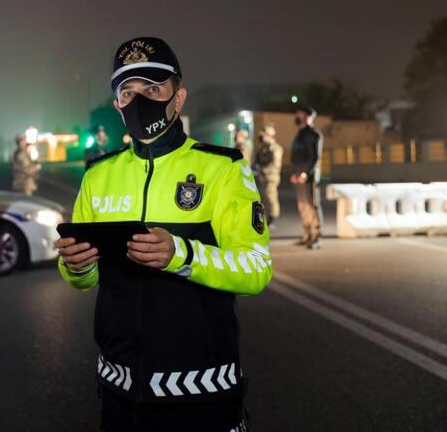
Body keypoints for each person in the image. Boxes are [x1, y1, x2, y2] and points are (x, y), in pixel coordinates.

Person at [55, 36, 272, 431]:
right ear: (117, 104)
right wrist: (76, 266)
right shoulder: (97, 175)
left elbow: (256, 269)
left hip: (203, 391)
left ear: (179, 96)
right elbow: (82, 280)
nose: (140, 100)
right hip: (120, 391)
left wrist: (182, 255)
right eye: (128, 91)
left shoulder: (223, 169)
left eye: (153, 88)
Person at [290, 106, 323, 250]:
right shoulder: (301, 133)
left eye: (300, 114)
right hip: (299, 175)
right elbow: (297, 155)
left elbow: (315, 157)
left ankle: (316, 237)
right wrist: (295, 173)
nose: (297, 116)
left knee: (312, 206)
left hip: (309, 176)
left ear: (308, 116)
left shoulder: (313, 134)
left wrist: (305, 173)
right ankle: (307, 235)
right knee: (303, 207)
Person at [254, 124, 283, 227]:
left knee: (271, 197)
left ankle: (273, 218)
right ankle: (267, 218)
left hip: (271, 177)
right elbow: (258, 161)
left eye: (264, 135)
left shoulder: (275, 148)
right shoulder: (263, 148)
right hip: (263, 176)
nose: (262, 137)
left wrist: (262, 169)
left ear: (269, 135)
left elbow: (275, 164)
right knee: (265, 198)